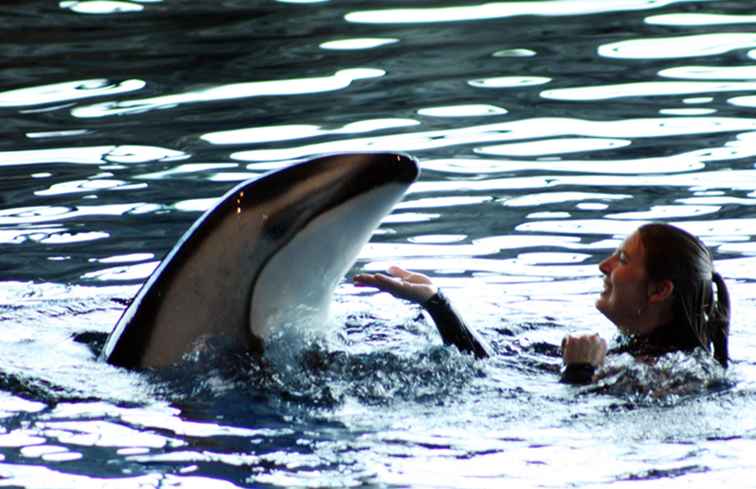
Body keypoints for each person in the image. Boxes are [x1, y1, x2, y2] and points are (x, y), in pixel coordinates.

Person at [353, 223, 731, 384]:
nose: (604, 265)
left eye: (623, 260)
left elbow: (578, 423)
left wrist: (579, 374)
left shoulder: (678, 379)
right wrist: (437, 302)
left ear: (658, 291)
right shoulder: (634, 357)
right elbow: (489, 367)